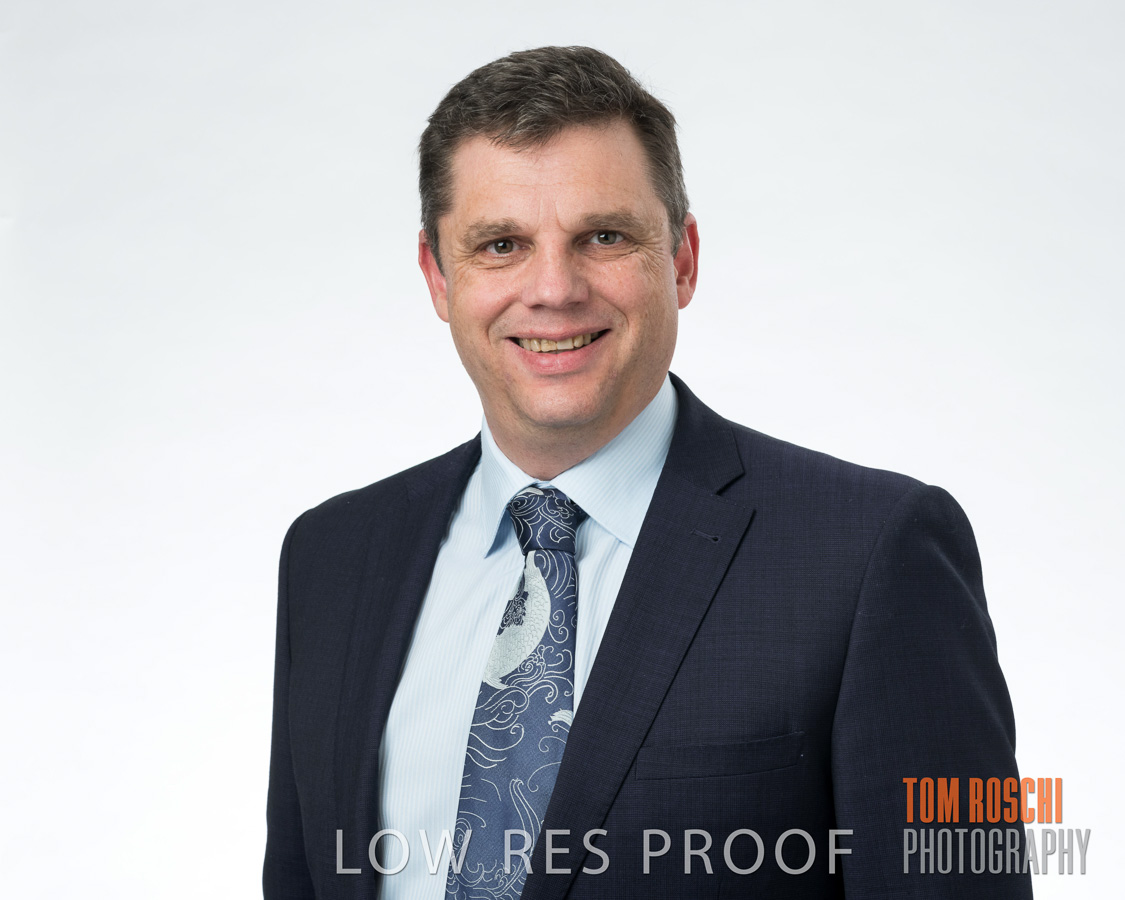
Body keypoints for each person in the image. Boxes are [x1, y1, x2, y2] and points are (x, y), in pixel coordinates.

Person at [264, 46, 1032, 900]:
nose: (553, 289)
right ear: (437, 278)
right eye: (500, 244)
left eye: (604, 237)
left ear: (682, 259)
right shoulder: (333, 557)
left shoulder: (872, 554)